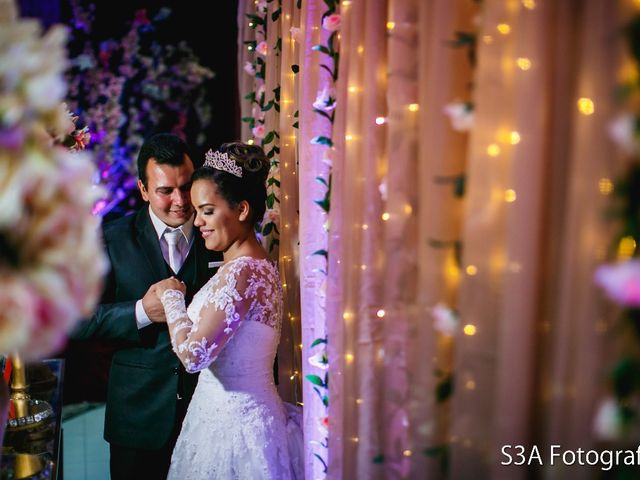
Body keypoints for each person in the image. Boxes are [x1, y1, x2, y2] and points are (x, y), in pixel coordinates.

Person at [72, 133, 222, 479]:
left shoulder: (218, 232)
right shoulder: (109, 238)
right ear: (143, 190)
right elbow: (79, 321)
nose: (180, 201)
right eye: (165, 190)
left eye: (186, 187)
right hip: (137, 420)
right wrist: (141, 311)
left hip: (208, 414)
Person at [153, 142, 304, 479]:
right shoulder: (253, 263)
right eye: (197, 211)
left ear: (242, 209)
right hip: (230, 417)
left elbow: (194, 356)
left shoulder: (243, 272)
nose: (199, 222)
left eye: (207, 210)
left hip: (235, 431)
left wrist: (171, 298)